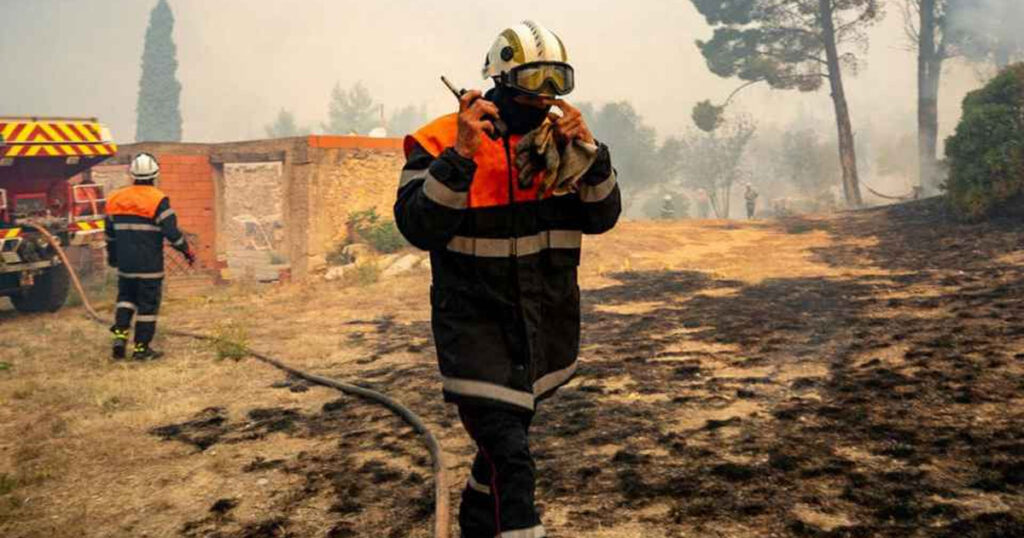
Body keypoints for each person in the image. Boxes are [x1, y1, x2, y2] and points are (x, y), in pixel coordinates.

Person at [394, 20, 620, 538]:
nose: (546, 97)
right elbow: (417, 227)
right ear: (501, 76)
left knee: (497, 457)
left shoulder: (561, 146)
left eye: (557, 82)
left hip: (541, 332)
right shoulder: (439, 142)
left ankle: (476, 527)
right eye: (535, 79)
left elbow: (602, 217)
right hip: (474, 334)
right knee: (514, 464)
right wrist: (462, 157)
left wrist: (591, 155)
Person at [104, 153, 195, 360]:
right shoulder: (158, 200)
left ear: (132, 175)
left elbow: (109, 235)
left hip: (126, 266)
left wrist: (113, 258)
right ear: (155, 175)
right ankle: (141, 349)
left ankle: (120, 337)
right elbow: (172, 233)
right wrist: (187, 251)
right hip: (149, 267)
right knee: (147, 306)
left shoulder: (115, 199)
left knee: (125, 300)